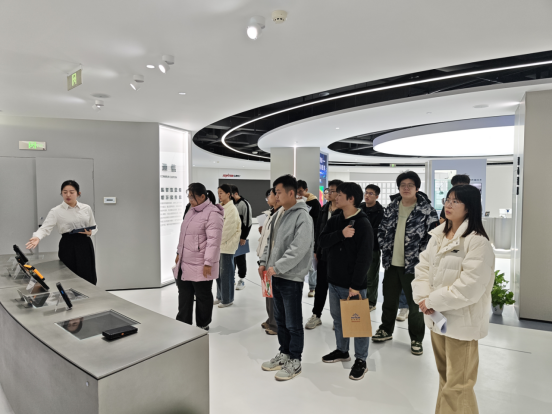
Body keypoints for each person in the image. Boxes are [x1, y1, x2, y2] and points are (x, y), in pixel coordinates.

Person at [413, 184, 495, 414]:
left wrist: (431, 302)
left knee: (459, 386)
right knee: (445, 379)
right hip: (438, 319)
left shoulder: (477, 242)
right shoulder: (438, 236)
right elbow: (423, 269)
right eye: (447, 199)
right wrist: (423, 298)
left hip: (462, 323)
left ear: (469, 207)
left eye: (455, 201)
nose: (448, 205)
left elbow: (470, 287)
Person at [373, 171, 439, 356]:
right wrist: (385, 247)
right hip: (391, 264)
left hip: (415, 266)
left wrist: (421, 257)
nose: (406, 188)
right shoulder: (391, 207)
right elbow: (382, 230)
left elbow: (433, 238)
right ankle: (385, 330)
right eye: (403, 185)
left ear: (417, 188)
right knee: (389, 300)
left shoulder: (426, 210)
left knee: (415, 304)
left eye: (410, 185)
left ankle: (416, 338)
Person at [259, 175, 314, 381]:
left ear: (292, 193)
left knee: (293, 321)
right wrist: (263, 262)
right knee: (280, 319)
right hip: (275, 274)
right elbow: (270, 242)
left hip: (291, 276)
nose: (275, 196)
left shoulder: (303, 216)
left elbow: (299, 248)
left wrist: (277, 267)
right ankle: (284, 353)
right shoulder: (279, 213)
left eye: (279, 192)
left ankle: (295, 360)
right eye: (275, 192)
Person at [319, 182, 373, 381]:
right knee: (338, 319)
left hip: (353, 285)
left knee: (358, 324)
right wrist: (341, 234)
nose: (336, 197)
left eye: (340, 194)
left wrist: (356, 285)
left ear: (351, 199)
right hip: (334, 280)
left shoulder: (363, 224)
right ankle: (342, 350)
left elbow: (365, 257)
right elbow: (322, 241)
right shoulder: (335, 219)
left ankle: (361, 359)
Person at [26, 180, 98, 285]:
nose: (68, 195)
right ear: (61, 193)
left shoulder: (86, 208)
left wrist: (90, 233)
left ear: (78, 193)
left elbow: (94, 226)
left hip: (85, 244)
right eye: (65, 192)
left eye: (71, 192)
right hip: (67, 244)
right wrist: (37, 237)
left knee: (87, 273)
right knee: (69, 274)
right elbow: (45, 228)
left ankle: (90, 293)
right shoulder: (56, 211)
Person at [174, 183, 223, 330]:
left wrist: (208, 262)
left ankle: (203, 324)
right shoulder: (191, 210)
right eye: (188, 196)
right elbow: (183, 235)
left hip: (201, 263)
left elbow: (214, 241)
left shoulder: (213, 213)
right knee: (184, 294)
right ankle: (183, 323)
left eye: (192, 197)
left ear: (202, 196)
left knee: (203, 295)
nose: (190, 200)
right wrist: (178, 253)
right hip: (185, 261)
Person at [305, 179, 343, 330]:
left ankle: (338, 318)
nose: (330, 193)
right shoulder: (323, 209)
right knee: (321, 286)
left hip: (339, 256)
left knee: (339, 287)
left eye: (333, 191)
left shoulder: (344, 211)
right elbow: (318, 232)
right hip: (323, 254)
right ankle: (316, 315)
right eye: (329, 190)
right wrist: (316, 250)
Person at [257, 188, 284, 335]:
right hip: (265, 257)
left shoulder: (282, 214)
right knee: (268, 292)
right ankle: (271, 319)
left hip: (274, 261)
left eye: (271, 195)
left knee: (274, 295)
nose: (270, 198)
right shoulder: (271, 213)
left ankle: (276, 324)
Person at [215, 184, 241, 308]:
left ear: (228, 194)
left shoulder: (232, 209)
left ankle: (228, 299)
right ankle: (220, 296)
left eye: (221, 193)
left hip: (226, 245)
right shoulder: (220, 207)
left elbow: (228, 230)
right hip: (218, 244)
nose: (219, 195)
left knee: (226, 273)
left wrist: (215, 239)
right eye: (218, 193)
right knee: (218, 273)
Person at [360, 184, 385, 312]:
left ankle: (371, 302)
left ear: (377, 196)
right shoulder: (359, 208)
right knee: (359, 275)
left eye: (370, 193)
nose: (367, 195)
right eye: (366, 192)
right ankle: (359, 299)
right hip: (358, 247)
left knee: (371, 277)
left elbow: (378, 231)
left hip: (372, 247)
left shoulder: (380, 211)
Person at [297, 180, 321, 297]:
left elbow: (317, 223)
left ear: (306, 190)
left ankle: (312, 287)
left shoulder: (314, 203)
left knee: (311, 264)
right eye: (296, 192)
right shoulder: (295, 201)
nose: (299, 194)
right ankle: (298, 286)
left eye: (301, 191)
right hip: (298, 237)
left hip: (311, 236)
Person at [231, 185, 253, 290]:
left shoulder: (244, 204)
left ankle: (242, 279)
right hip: (230, 237)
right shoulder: (230, 204)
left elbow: (248, 222)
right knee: (231, 259)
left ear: (235, 193)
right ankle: (232, 278)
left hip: (240, 237)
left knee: (240, 258)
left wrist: (243, 237)